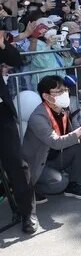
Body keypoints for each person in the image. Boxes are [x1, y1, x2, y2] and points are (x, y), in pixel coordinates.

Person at [23, 76, 81, 203]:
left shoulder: (65, 109)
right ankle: (30, 187)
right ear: (46, 96)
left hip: (57, 157)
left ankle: (74, 184)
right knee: (59, 184)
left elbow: (77, 130)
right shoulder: (38, 117)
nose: (64, 94)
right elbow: (56, 142)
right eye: (59, 91)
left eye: (65, 90)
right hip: (39, 163)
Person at [0, 30, 37, 234]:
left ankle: (28, 213)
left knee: (16, 163)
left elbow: (16, 60)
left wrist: (3, 44)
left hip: (1, 114)